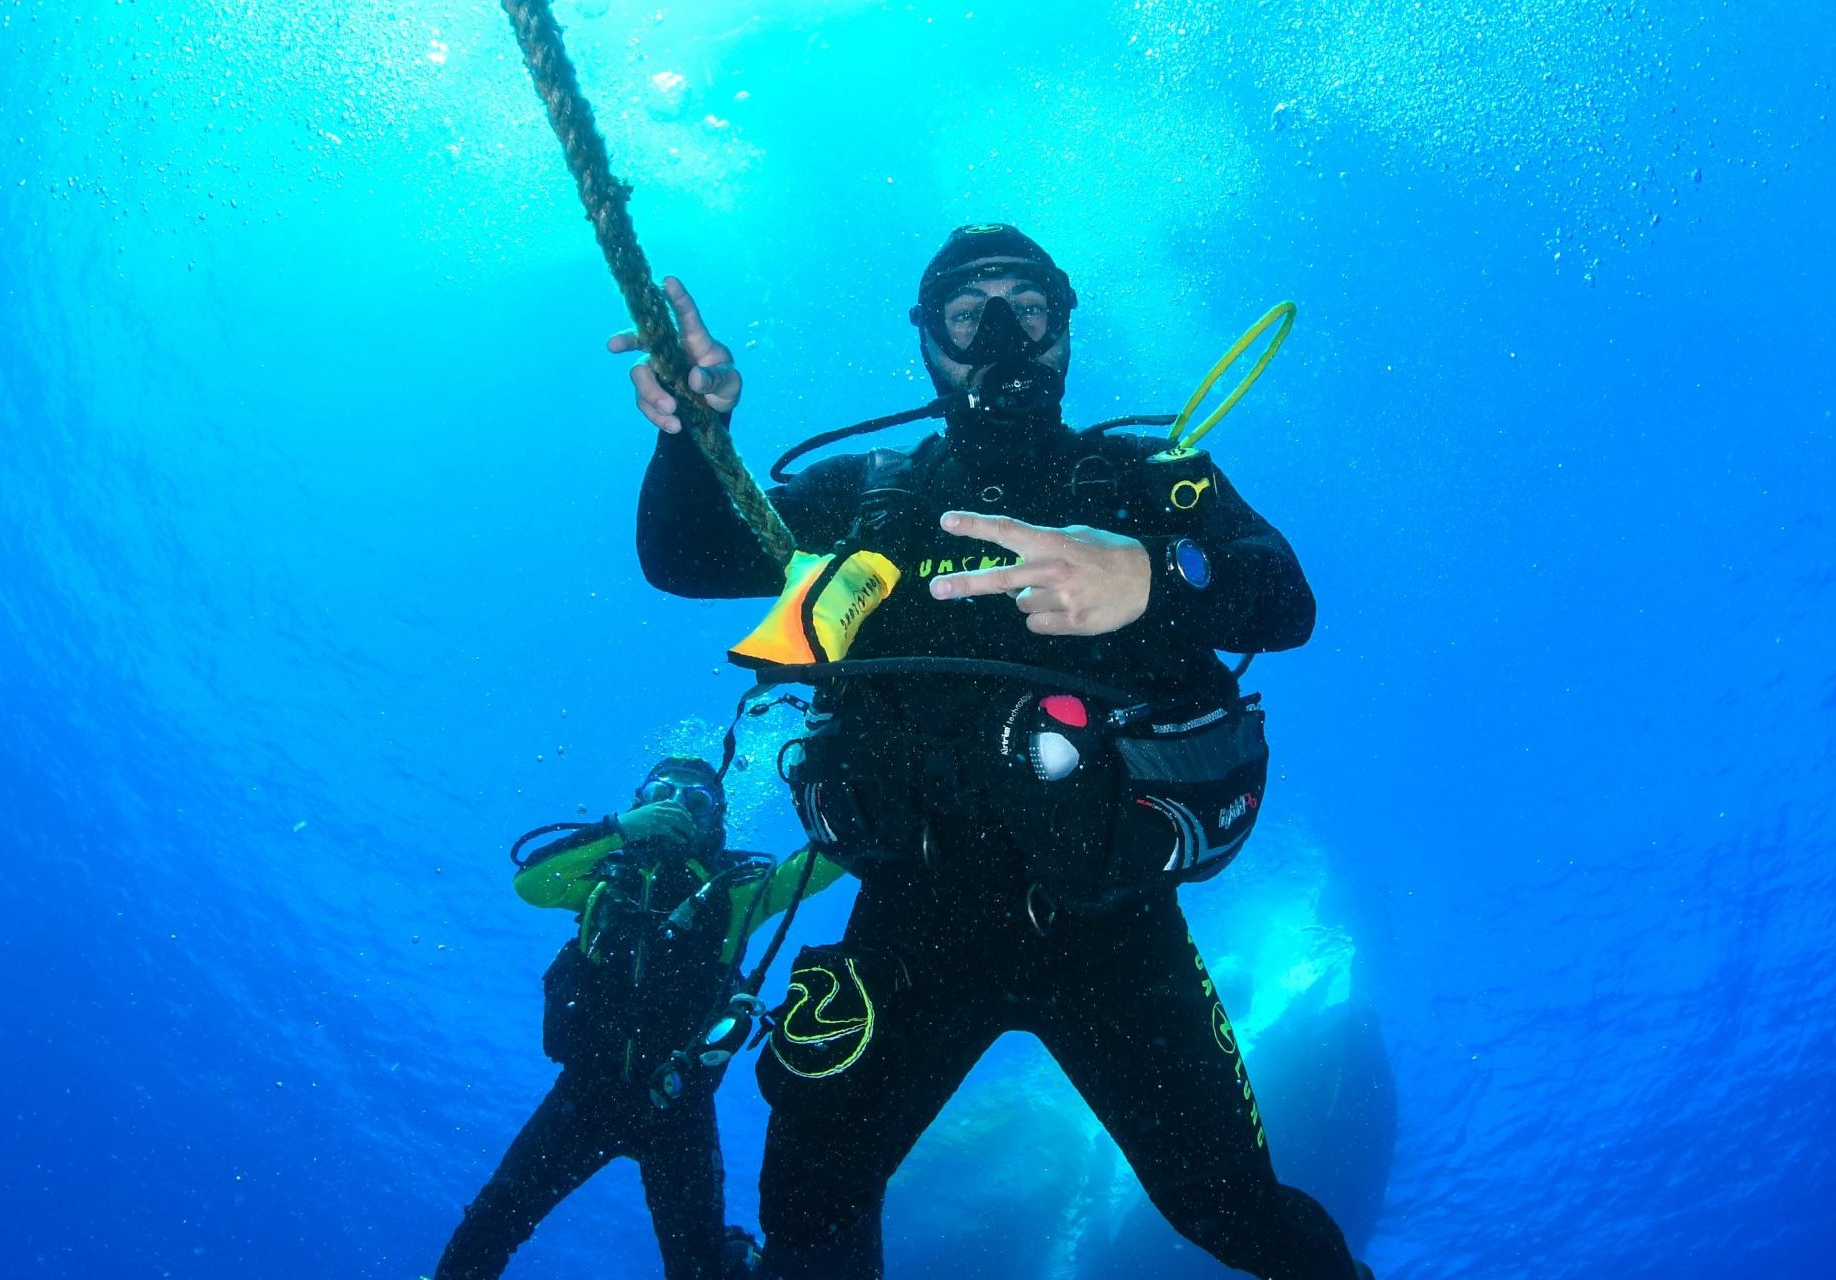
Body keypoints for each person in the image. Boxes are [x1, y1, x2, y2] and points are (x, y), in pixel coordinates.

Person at [615, 226, 1369, 1279]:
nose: (1004, 334)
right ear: (926, 341)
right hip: (910, 922)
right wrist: (689, 435)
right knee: (810, 1209)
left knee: (1229, 1208)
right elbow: (686, 556)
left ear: (1065, 328)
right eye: (970, 313)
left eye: (1029, 305)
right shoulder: (869, 496)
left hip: (1112, 923)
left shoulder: (1148, 480)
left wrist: (1158, 575)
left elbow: (1285, 597)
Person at [434, 757, 844, 1280]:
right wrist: (618, 832)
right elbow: (530, 885)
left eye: (694, 801)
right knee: (492, 1223)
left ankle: (735, 1257)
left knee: (696, 1269)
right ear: (638, 801)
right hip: (584, 1095)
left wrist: (869, 807)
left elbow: (818, 865)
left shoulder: (739, 889)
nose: (674, 806)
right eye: (660, 793)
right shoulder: (602, 880)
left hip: (678, 1106)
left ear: (714, 820)